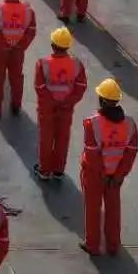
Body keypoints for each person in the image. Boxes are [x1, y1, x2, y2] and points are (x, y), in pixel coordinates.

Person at [81, 78, 138, 256]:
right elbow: (130, 153)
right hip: (115, 176)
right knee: (113, 210)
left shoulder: (92, 123)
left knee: (93, 209)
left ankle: (92, 245)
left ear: (101, 100)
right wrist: (119, 175)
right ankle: (113, 245)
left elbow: (92, 155)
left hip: (95, 175)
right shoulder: (130, 124)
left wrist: (103, 174)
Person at [33, 27, 87, 181]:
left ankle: (44, 170)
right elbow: (80, 87)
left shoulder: (43, 64)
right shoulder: (76, 65)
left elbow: (40, 87)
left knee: (46, 138)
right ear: (68, 46)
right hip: (66, 109)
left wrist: (53, 102)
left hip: (47, 109)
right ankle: (58, 170)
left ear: (52, 45)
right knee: (62, 138)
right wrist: (66, 102)